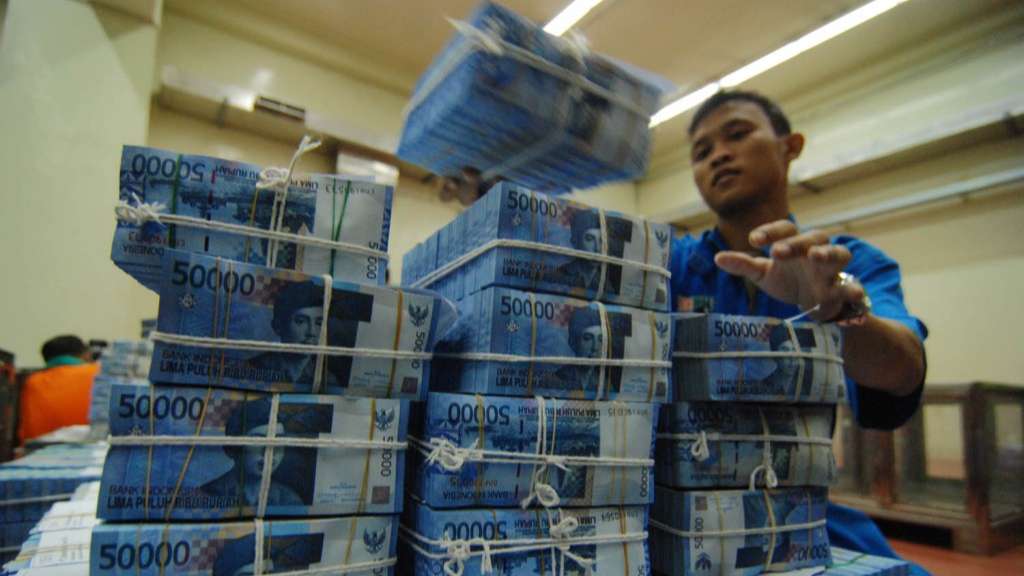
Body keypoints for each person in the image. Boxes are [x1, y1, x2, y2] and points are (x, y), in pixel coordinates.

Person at [670, 90, 928, 574]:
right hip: (669, 516)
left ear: (789, 146)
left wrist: (835, 309)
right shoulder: (669, 265)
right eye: (702, 152)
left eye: (737, 134)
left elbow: (903, 370)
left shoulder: (846, 265)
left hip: (799, 517)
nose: (718, 155)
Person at [201, 397, 305, 509]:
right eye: (258, 441)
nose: (269, 452)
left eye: (278, 441)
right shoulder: (206, 494)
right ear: (233, 448)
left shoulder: (289, 500)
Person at [17, 335, 99, 444]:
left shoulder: (32, 382)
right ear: (87, 356)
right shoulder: (98, 373)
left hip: (36, 450)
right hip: (92, 448)